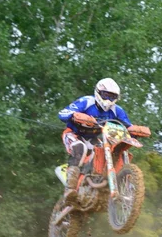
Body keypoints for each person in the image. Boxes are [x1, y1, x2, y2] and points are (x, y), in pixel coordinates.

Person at [58, 77, 150, 205]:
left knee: (108, 153)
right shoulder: (86, 101)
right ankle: (70, 189)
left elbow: (127, 127)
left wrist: (136, 131)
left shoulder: (117, 110)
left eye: (112, 97)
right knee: (80, 148)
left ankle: (102, 182)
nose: (108, 99)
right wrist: (75, 115)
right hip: (74, 134)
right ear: (98, 92)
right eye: (105, 95)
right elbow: (63, 113)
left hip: (95, 138)